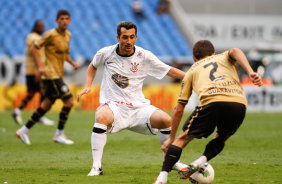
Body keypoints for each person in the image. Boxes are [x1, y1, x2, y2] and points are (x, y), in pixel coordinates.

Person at [77, 21, 187, 176]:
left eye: (132, 37)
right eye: (125, 37)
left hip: (138, 108)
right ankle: (96, 167)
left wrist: (192, 77)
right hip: (114, 106)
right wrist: (88, 85)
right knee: (101, 116)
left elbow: (169, 70)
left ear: (136, 37)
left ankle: (171, 162)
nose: (128, 41)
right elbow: (93, 66)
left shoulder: (144, 56)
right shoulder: (106, 53)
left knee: (166, 120)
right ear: (118, 37)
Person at [154, 40, 263, 184]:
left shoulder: (192, 70)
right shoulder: (223, 57)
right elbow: (236, 50)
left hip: (212, 102)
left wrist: (171, 137)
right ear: (213, 53)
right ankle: (200, 161)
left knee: (182, 140)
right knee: (221, 137)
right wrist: (250, 71)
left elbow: (179, 108)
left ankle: (162, 178)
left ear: (194, 57)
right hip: (238, 103)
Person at [16, 10, 80, 145]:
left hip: (58, 73)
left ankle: (23, 130)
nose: (64, 21)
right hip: (50, 75)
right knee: (69, 101)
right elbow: (34, 47)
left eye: (67, 19)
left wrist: (73, 62)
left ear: (70, 21)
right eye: (61, 18)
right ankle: (59, 134)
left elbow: (63, 54)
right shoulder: (50, 34)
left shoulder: (68, 35)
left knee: (46, 105)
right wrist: (40, 66)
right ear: (56, 20)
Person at [12, 20, 55, 126]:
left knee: (33, 93)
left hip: (33, 70)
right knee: (43, 93)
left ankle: (18, 111)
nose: (42, 28)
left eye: (43, 26)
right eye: (40, 26)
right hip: (35, 71)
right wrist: (39, 70)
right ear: (35, 27)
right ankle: (39, 116)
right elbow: (34, 51)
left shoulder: (32, 37)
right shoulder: (33, 37)